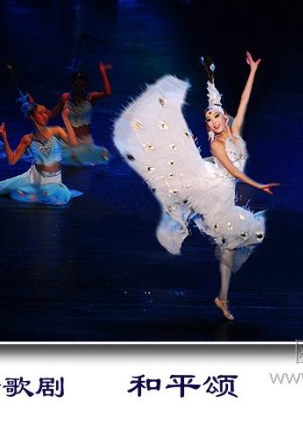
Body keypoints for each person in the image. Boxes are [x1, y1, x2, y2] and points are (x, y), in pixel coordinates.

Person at [113, 52, 279, 320]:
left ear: (225, 116)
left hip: (226, 192)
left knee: (230, 244)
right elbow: (232, 170)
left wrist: (252, 71)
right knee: (233, 238)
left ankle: (222, 298)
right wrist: (257, 185)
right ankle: (223, 297)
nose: (213, 122)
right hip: (215, 193)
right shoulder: (216, 144)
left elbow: (245, 100)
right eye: (209, 120)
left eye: (216, 117)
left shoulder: (236, 131)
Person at [0, 94, 82, 205]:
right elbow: (12, 161)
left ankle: (36, 192)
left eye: (46, 112)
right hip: (34, 178)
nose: (45, 115)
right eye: (41, 113)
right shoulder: (28, 139)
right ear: (32, 117)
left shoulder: (56, 131)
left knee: (60, 193)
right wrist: (4, 137)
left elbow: (74, 144)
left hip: (54, 180)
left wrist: (65, 119)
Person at [49, 60, 112, 166]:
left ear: (85, 85)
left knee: (93, 162)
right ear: (73, 85)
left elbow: (108, 93)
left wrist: (103, 72)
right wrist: (32, 106)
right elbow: (52, 115)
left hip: (85, 141)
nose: (79, 88)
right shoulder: (65, 98)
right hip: (69, 140)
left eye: (82, 86)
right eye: (76, 85)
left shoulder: (90, 97)